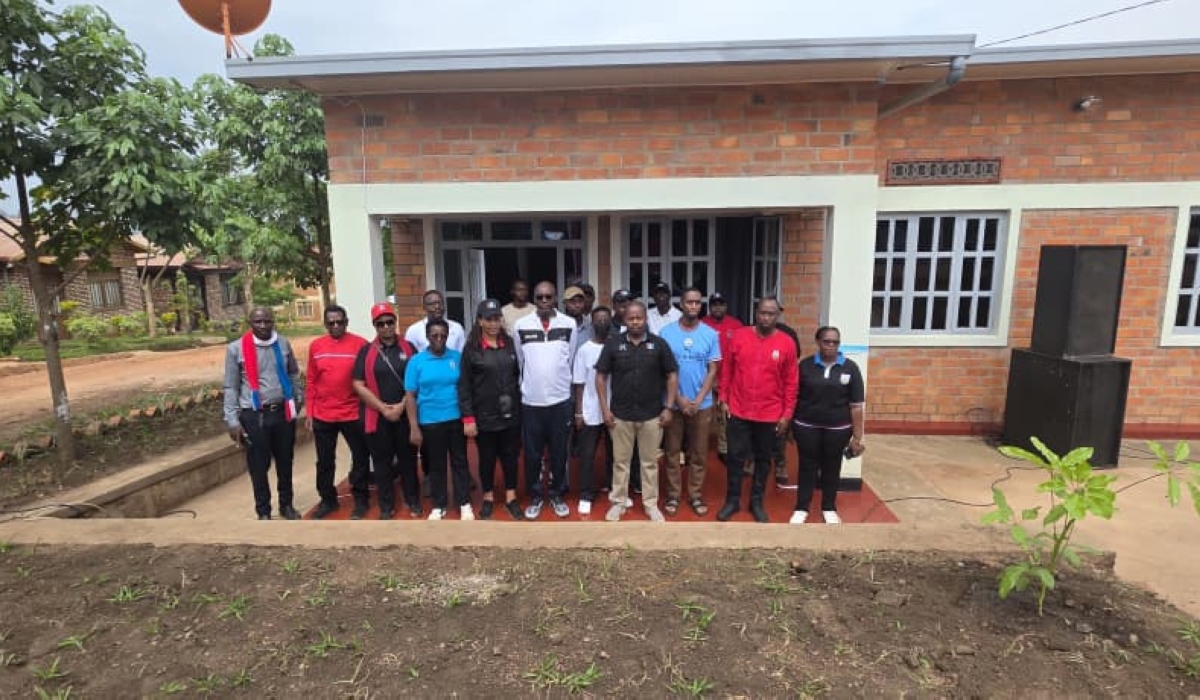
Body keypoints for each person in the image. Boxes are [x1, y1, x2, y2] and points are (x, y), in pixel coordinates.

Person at [716, 297, 798, 523]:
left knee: (763, 459)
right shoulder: (740, 336)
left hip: (770, 413)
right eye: (762, 312)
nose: (766, 317)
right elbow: (727, 370)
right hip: (738, 410)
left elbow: (791, 382)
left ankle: (756, 501)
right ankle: (732, 501)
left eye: (771, 314)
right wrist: (723, 398)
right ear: (756, 313)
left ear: (777, 315)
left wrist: (786, 414)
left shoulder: (786, 343)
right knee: (734, 458)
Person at [596, 300, 679, 522]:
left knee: (649, 463)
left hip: (652, 415)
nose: (635, 321)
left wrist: (669, 407)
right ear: (624, 320)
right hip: (620, 415)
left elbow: (672, 375)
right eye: (631, 318)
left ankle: (651, 505)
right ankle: (618, 503)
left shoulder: (659, 344)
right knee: (620, 462)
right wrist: (604, 409)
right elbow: (601, 376)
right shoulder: (613, 344)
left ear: (645, 319)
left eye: (639, 318)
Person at [223, 306, 301, 520]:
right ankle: (263, 510)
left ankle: (287, 505)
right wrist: (231, 419)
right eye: (258, 322)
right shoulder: (235, 349)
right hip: (254, 415)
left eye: (267, 321)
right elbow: (231, 386)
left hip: (282, 413)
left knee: (285, 461)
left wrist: (298, 398)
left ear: (273, 321)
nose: (263, 326)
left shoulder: (283, 343)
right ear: (250, 323)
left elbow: (293, 373)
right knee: (258, 466)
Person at [512, 280, 576, 519]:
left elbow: (569, 359)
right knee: (532, 455)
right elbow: (520, 361)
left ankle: (558, 493)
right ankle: (537, 496)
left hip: (560, 401)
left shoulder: (568, 324)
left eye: (549, 297)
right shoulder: (521, 325)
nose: (545, 301)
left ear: (556, 298)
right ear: (534, 299)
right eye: (540, 297)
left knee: (559, 452)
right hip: (531, 403)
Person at [791, 326, 866, 525]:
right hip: (806, 426)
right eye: (826, 341)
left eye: (835, 342)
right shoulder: (805, 366)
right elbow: (794, 397)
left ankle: (828, 507)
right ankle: (801, 507)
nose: (831, 346)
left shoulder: (850, 368)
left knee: (832, 467)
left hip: (837, 429)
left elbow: (856, 406)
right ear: (818, 342)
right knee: (807, 466)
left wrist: (857, 438)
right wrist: (790, 424)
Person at [352, 302, 420, 520]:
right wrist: (383, 408)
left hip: (404, 414)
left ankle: (413, 501)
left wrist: (401, 406)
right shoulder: (367, 351)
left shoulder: (408, 348)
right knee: (381, 464)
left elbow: (419, 379)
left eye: (390, 322)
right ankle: (386, 507)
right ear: (375, 326)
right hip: (377, 416)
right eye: (380, 324)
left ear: (395, 322)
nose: (386, 327)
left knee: (408, 461)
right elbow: (358, 384)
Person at [458, 299, 524, 521]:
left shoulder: (511, 344)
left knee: (510, 457)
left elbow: (518, 376)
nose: (494, 323)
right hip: (484, 415)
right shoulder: (471, 349)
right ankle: (487, 498)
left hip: (511, 414)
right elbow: (464, 386)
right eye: (488, 319)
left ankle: (511, 497)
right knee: (486, 458)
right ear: (480, 321)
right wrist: (468, 418)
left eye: (497, 318)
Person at [660, 288, 721, 518]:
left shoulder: (710, 334)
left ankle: (695, 495)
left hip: (701, 405)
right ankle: (673, 496)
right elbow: (664, 370)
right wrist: (679, 399)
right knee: (672, 453)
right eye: (689, 302)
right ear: (681, 304)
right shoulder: (666, 333)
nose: (693, 306)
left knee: (699, 453)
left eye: (697, 302)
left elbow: (713, 369)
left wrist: (696, 400)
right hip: (674, 403)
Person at [305, 305, 370, 519]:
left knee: (360, 457)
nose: (335, 326)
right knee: (324, 461)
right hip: (324, 414)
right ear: (325, 324)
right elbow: (312, 381)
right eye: (331, 322)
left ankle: (361, 500)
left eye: (339, 322)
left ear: (346, 322)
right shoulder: (316, 346)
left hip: (352, 412)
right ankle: (327, 500)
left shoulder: (360, 344)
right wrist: (310, 412)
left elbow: (368, 377)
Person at [405, 319, 473, 520]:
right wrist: (413, 427)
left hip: (455, 419)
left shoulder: (457, 358)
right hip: (430, 421)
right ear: (427, 337)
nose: (439, 339)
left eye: (443, 335)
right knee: (436, 464)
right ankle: (439, 504)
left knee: (460, 462)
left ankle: (464, 503)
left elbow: (466, 388)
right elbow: (410, 395)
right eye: (434, 335)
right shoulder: (416, 361)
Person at [572, 305, 615, 516]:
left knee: (615, 455)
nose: (602, 323)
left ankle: (614, 490)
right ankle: (586, 495)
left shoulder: (617, 346)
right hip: (590, 411)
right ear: (592, 323)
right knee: (587, 456)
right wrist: (578, 412)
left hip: (614, 411)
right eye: (598, 319)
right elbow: (579, 383)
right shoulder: (584, 350)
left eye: (606, 319)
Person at [701, 292, 743, 464]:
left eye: (721, 304)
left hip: (729, 378)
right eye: (714, 304)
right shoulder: (702, 324)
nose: (718, 307)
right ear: (710, 306)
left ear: (726, 306)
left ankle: (724, 448)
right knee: (702, 415)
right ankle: (697, 447)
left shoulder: (736, 325)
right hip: (704, 378)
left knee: (725, 415)